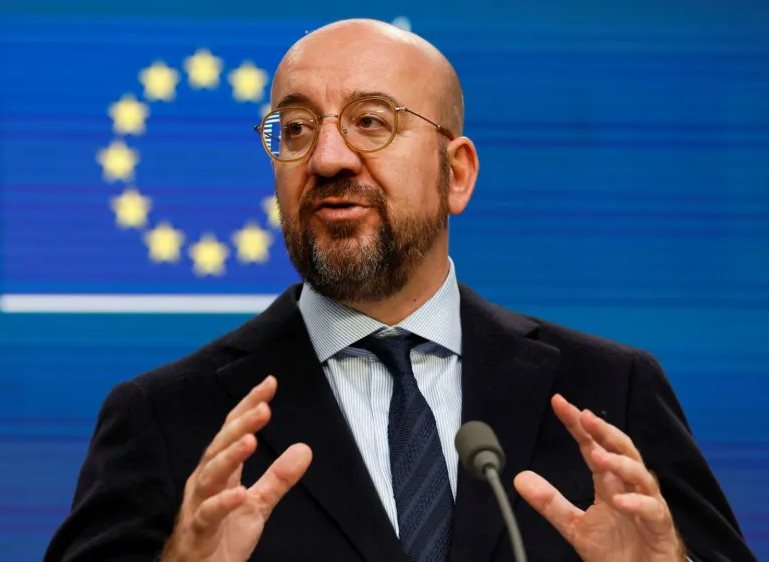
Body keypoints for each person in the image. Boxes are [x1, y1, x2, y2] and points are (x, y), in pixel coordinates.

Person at [43, 19, 755, 562]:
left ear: (457, 173)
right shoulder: (169, 418)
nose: (327, 158)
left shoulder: (609, 392)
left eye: (370, 122)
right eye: (296, 129)